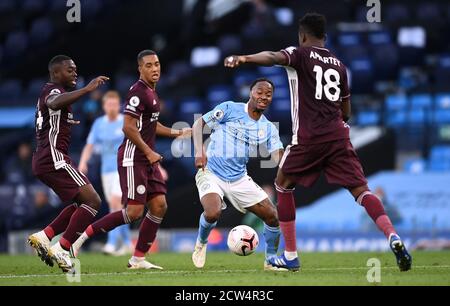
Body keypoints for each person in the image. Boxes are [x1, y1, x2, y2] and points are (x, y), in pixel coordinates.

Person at [224, 13, 412, 272]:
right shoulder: (339, 65)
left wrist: (244, 58)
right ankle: (393, 235)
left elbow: (273, 57)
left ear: (302, 35)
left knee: (283, 184)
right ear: (325, 37)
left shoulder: (300, 54)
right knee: (361, 190)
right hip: (339, 136)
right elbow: (346, 111)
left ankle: (290, 255)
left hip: (309, 137)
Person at [72, 50, 191, 269]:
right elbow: (127, 127)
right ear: (140, 68)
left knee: (159, 206)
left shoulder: (152, 93)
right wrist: (149, 152)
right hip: (133, 158)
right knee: (134, 212)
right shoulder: (138, 91)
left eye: (157, 64)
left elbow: (151, 125)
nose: (155, 68)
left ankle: (138, 258)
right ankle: (80, 238)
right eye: (149, 65)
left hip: (146, 159)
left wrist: (177, 132)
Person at [192, 78, 285, 271]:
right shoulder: (230, 108)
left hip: (239, 178)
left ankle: (270, 260)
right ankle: (201, 243)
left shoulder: (268, 128)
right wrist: (199, 150)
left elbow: (279, 157)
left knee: (272, 216)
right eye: (260, 92)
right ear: (251, 92)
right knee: (213, 212)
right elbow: (198, 125)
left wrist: (291, 161)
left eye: (268, 94)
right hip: (211, 171)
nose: (264, 97)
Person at [28, 55, 109, 272]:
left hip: (45, 158)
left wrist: (68, 121)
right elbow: (53, 102)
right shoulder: (53, 91)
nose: (75, 73)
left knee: (80, 204)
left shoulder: (54, 91)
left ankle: (44, 236)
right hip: (53, 157)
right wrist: (86, 90)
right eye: (70, 70)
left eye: (75, 70)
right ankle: (63, 248)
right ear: (56, 73)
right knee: (93, 201)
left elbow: (52, 114)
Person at [78, 91, 132, 255]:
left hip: (123, 168)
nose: (112, 108)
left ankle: (111, 243)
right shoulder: (99, 124)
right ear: (104, 106)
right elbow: (89, 145)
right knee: (116, 208)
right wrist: (83, 162)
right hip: (106, 171)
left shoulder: (125, 121)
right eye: (109, 104)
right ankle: (128, 243)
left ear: (119, 105)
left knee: (116, 203)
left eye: (115, 104)